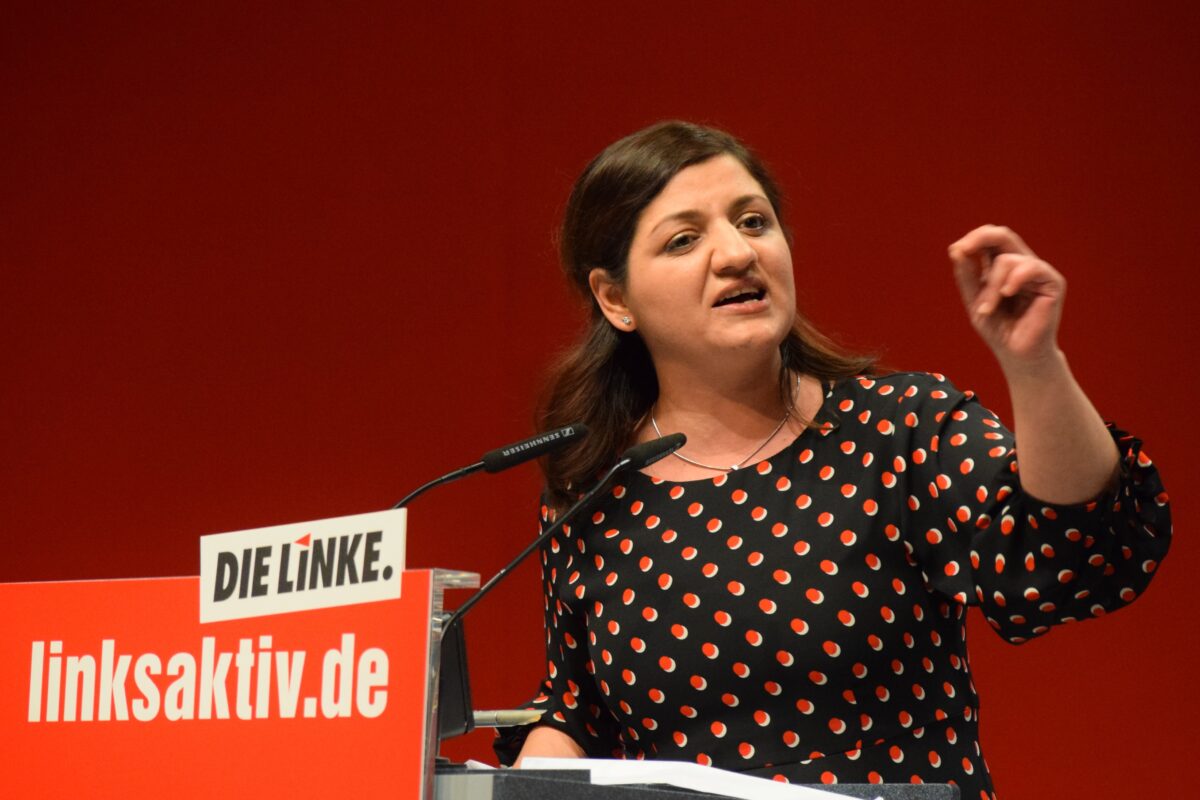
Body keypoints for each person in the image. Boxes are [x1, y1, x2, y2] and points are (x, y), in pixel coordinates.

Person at [493, 121, 1171, 799]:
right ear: (616, 300)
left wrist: (1035, 366)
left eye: (753, 221)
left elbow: (1071, 554)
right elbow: (578, 705)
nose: (735, 253)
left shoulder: (897, 429)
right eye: (683, 239)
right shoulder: (594, 490)